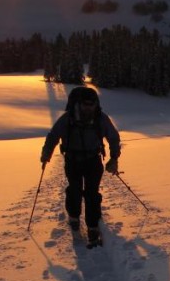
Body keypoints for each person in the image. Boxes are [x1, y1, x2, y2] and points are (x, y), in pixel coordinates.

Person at [41, 85, 121, 243]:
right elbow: (53, 136)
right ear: (79, 103)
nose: (89, 107)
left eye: (92, 104)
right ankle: (74, 216)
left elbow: (113, 137)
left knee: (92, 194)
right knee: (74, 190)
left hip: (93, 160)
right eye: (86, 104)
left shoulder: (101, 118)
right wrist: (46, 154)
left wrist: (114, 158)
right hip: (73, 160)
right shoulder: (68, 118)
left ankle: (93, 226)